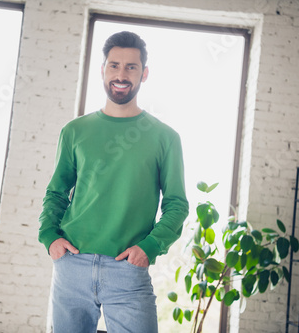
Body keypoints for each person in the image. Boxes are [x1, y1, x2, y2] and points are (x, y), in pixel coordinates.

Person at [38, 31, 189, 333]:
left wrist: (149, 246)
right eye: (114, 65)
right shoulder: (75, 131)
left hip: (128, 271)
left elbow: (177, 205)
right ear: (103, 70)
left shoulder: (165, 137)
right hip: (72, 267)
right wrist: (49, 236)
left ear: (144, 74)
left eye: (131, 67)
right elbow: (56, 192)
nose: (121, 74)